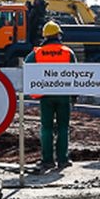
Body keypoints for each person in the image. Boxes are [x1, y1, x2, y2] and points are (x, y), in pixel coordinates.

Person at [24, 21, 76, 171]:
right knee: (63, 127)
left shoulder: (37, 53)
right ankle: (63, 160)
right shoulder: (68, 52)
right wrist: (74, 95)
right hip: (63, 95)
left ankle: (47, 160)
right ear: (58, 35)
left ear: (45, 36)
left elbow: (28, 67)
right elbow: (76, 75)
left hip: (45, 95)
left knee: (46, 128)